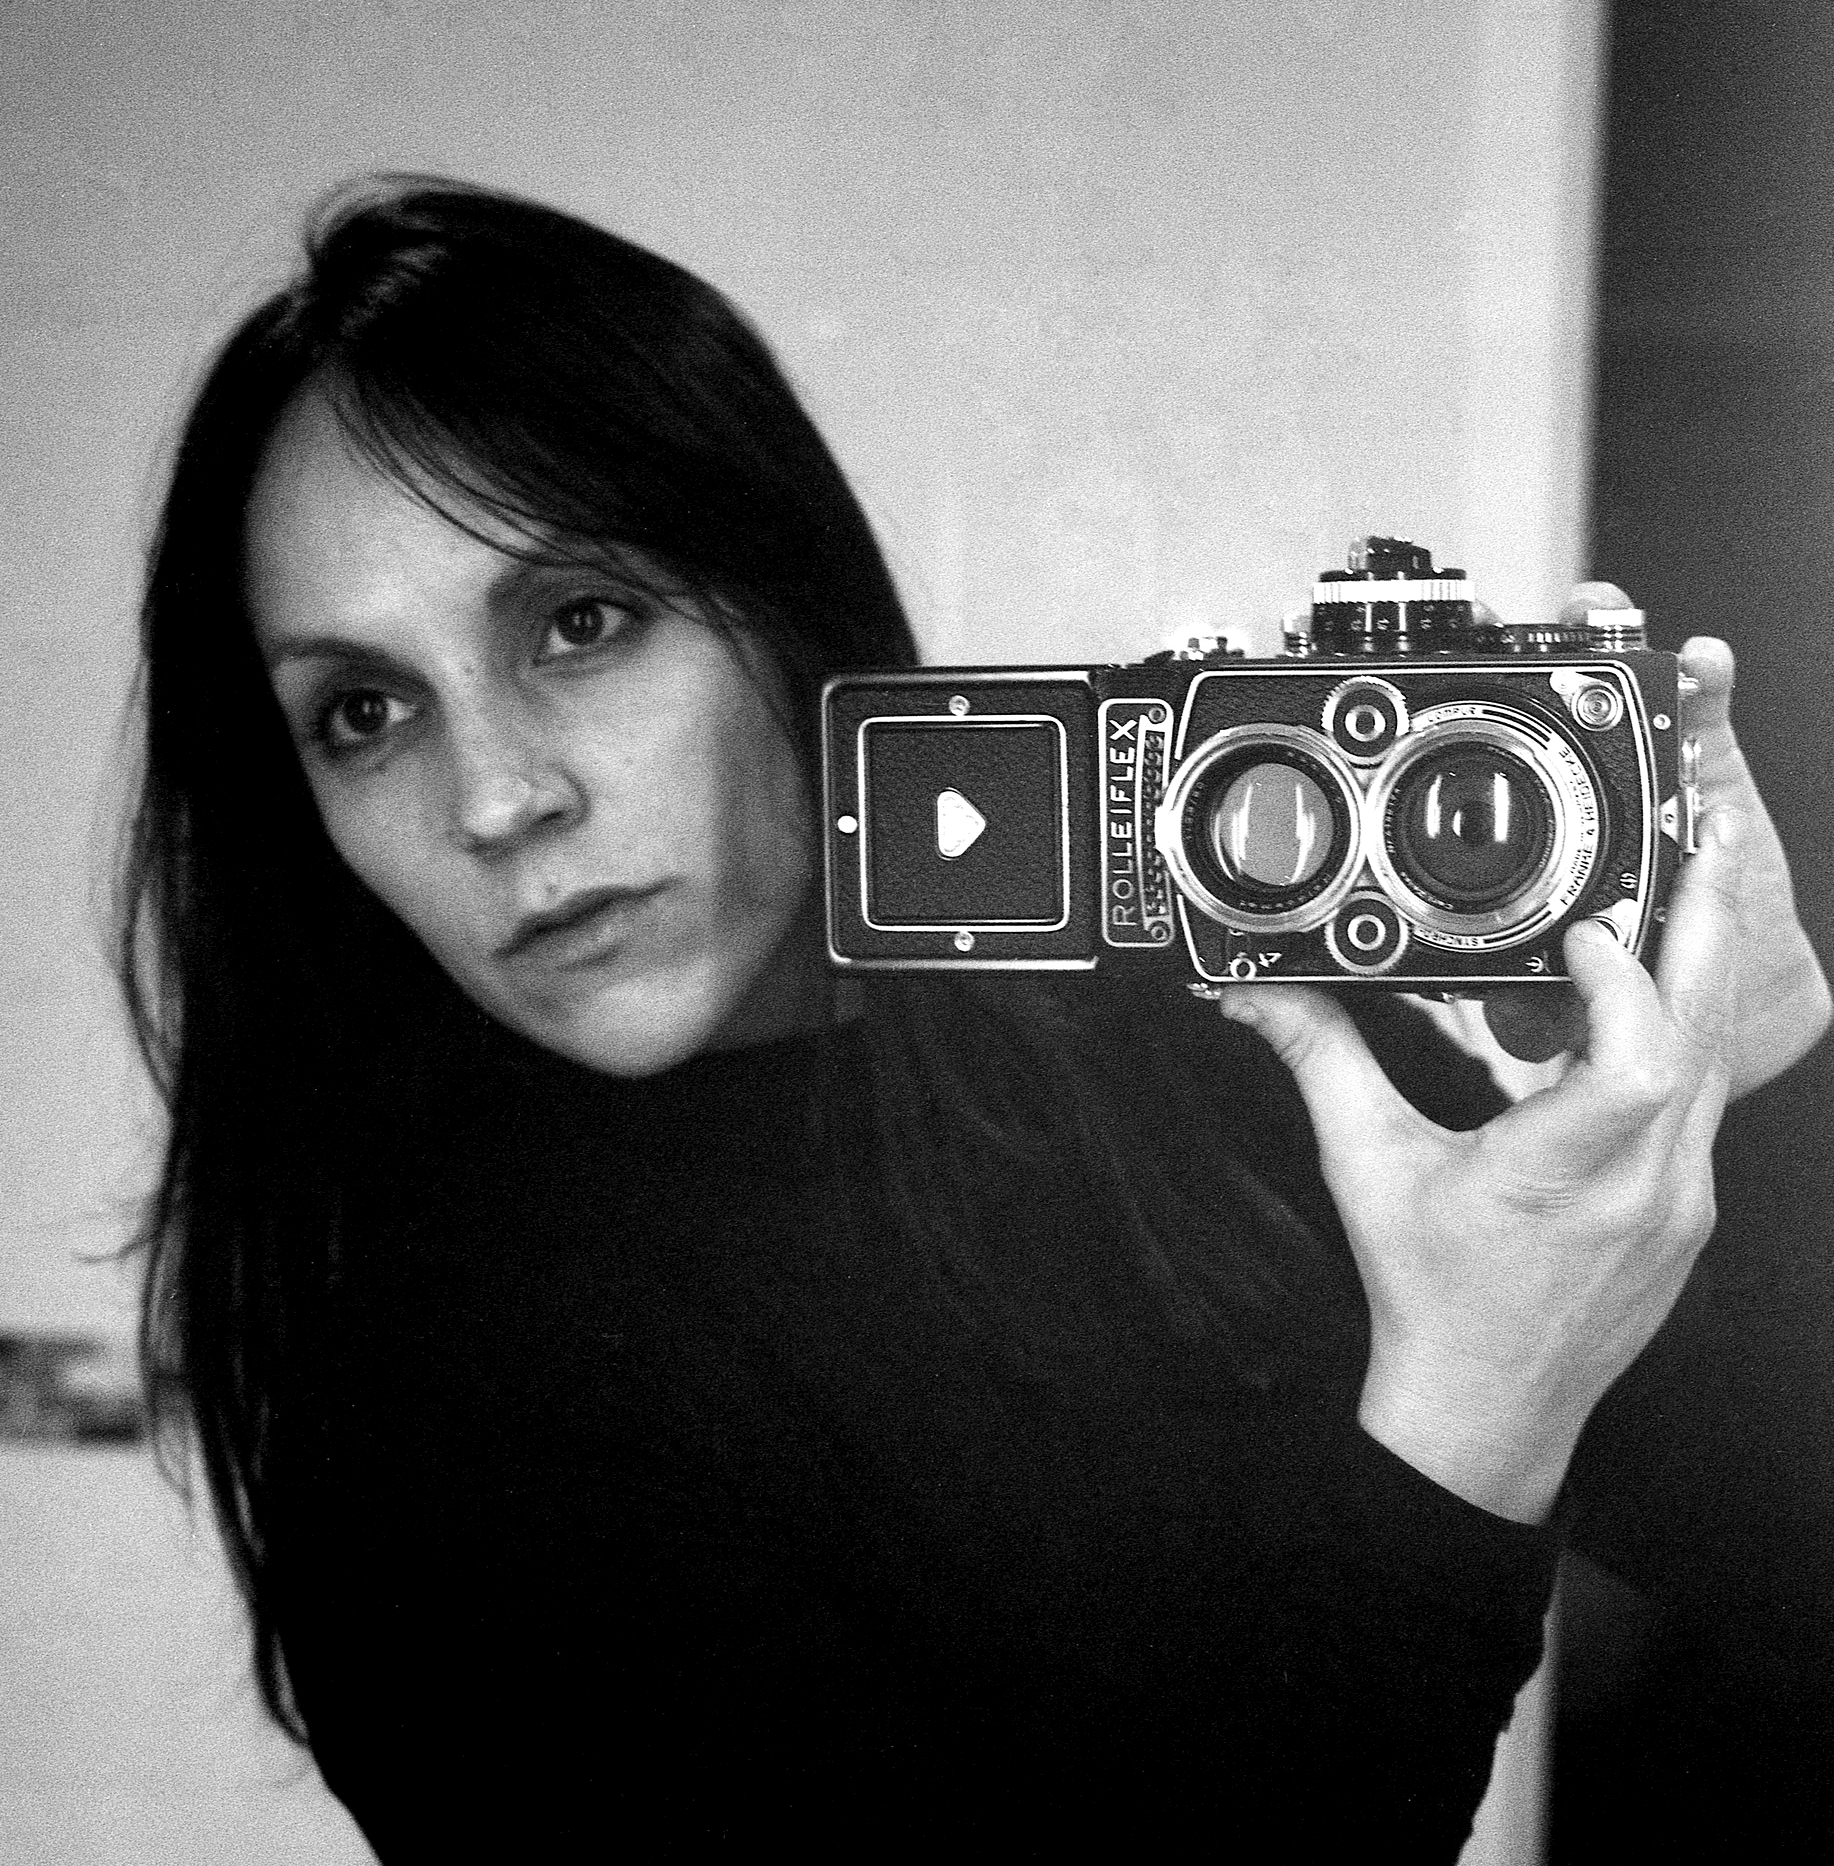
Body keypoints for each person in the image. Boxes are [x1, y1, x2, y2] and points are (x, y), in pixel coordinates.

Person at [116, 177, 1827, 1856]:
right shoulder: (432, 1414)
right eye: (362, 710)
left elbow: (1733, 1530)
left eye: (579, 620)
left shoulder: (1171, 1027)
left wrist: (1740, 1077)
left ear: (778, 592)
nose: (493, 796)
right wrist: (1469, 1412)